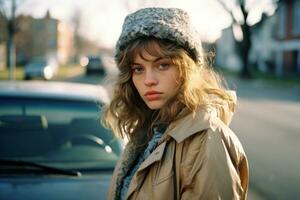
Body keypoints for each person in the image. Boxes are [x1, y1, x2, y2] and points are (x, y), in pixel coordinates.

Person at [103, 7, 249, 200]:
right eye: (138, 69)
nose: (148, 80)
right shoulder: (147, 131)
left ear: (187, 69)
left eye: (162, 65)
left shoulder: (206, 140)